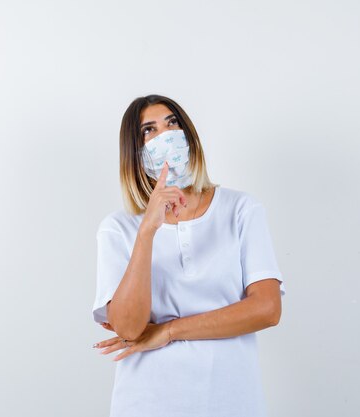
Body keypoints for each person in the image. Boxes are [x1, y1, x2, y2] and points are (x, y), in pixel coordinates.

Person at [91, 94, 286, 417]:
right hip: (148, 403)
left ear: (188, 135)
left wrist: (168, 330)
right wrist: (147, 231)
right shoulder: (118, 229)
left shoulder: (240, 210)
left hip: (232, 400)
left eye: (172, 123)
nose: (165, 135)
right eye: (148, 131)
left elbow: (267, 309)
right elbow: (127, 328)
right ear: (135, 153)